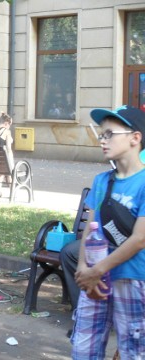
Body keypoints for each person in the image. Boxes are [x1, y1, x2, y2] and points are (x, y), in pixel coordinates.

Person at [71, 105, 145, 359]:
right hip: (95, 280)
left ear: (135, 138)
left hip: (132, 279)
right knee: (84, 347)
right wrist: (83, 268)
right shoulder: (102, 181)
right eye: (101, 135)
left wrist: (96, 270)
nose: (102, 140)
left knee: (133, 351)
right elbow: (91, 227)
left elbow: (140, 239)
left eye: (110, 134)